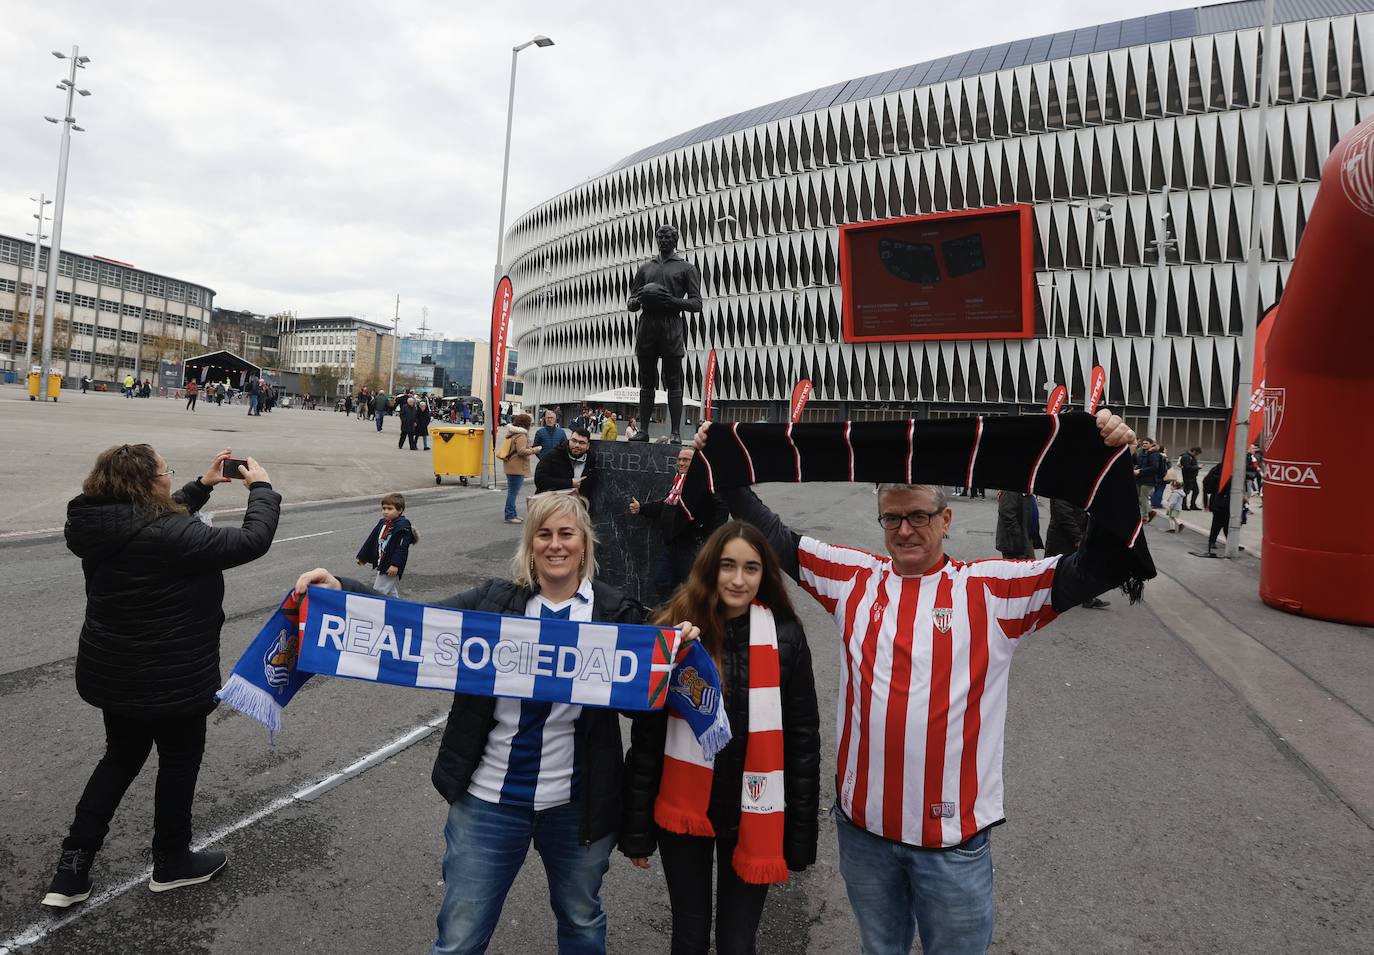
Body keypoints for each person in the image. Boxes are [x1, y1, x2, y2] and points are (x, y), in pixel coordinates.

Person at [695, 409, 1141, 955]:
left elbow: (1099, 565)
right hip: (864, 833)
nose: (905, 529)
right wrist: (721, 458)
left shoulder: (993, 590)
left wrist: (1113, 465)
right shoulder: (850, 577)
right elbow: (775, 536)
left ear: (947, 519)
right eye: (892, 518)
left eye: (919, 516)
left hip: (951, 844)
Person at [292, 494, 699, 955]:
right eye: (543, 535)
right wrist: (341, 590)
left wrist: (679, 644)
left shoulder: (615, 612)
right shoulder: (493, 602)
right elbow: (415, 624)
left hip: (576, 809)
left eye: (567, 534)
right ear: (530, 544)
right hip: (488, 803)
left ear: (585, 543)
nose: (555, 545)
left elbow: (647, 702)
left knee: (582, 922)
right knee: (461, 936)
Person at [43, 445, 280, 908]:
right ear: (150, 484)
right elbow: (252, 541)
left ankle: (71, 869)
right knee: (178, 762)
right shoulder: (173, 533)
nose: (169, 477)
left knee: (118, 759)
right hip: (174, 675)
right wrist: (263, 490)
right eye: (165, 472)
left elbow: (149, 524)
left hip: (114, 672)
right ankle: (171, 860)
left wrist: (203, 486)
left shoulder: (97, 522)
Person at [621, 521, 820, 954]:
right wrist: (636, 827)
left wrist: (800, 835)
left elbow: (803, 739)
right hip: (684, 811)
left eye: (751, 568)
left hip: (755, 810)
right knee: (689, 938)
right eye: (727, 566)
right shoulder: (675, 628)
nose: (738, 579)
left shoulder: (786, 635)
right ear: (709, 569)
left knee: (737, 942)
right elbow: (647, 735)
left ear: (764, 573)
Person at [627, 223, 703, 444]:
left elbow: (696, 303)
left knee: (673, 380)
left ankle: (676, 433)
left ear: (675, 240)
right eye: (660, 237)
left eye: (667, 237)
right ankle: (643, 430)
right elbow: (631, 301)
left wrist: (671, 300)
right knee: (646, 381)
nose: (663, 240)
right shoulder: (645, 269)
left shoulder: (686, 268)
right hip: (647, 326)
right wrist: (637, 301)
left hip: (671, 325)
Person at [629, 448, 726, 597]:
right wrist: (642, 508)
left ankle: (688, 617)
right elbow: (665, 506)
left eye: (685, 460)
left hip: (690, 545)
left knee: (691, 586)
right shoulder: (678, 481)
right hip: (670, 544)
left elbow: (721, 508)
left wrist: (710, 537)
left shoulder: (704, 482)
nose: (681, 463)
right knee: (662, 581)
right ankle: (672, 615)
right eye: (679, 459)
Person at [1044, 499, 1110, 610]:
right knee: (1055, 570)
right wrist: (1077, 537)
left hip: (1075, 534)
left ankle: (1087, 598)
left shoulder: (1074, 489)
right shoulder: (1062, 491)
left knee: (1082, 567)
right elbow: (1064, 515)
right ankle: (1044, 598)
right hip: (1061, 538)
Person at [355, 492, 419, 597]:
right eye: (384, 508)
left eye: (389, 509)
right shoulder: (383, 523)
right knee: (390, 593)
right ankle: (397, 609)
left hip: (390, 564)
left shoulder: (403, 527)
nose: (385, 512)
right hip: (382, 561)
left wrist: (395, 565)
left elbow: (401, 548)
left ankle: (375, 610)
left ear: (400, 510)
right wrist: (363, 557)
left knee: (378, 592)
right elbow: (372, 540)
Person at [534, 426, 597, 505]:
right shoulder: (553, 455)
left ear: (588, 446)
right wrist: (569, 483)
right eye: (574, 441)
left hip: (577, 507)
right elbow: (540, 480)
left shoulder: (591, 461)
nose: (577, 445)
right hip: (551, 506)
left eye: (582, 442)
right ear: (569, 440)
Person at [501, 412, 540, 524]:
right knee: (513, 492)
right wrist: (535, 450)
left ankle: (512, 514)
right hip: (516, 467)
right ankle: (509, 516)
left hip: (511, 466)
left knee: (512, 492)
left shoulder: (513, 433)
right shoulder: (521, 435)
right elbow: (522, 451)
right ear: (526, 424)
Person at [995, 489, 1034, 558]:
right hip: (1014, 543)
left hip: (1024, 538)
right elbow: (1007, 514)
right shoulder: (1010, 490)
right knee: (1025, 566)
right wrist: (1019, 538)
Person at [1133, 438, 1164, 522]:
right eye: (1143, 443)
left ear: (1151, 444)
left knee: (1143, 498)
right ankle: (1150, 512)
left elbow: (1154, 467)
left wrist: (1140, 470)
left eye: (1146, 443)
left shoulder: (1153, 454)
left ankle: (1145, 517)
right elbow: (1141, 464)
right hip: (1141, 478)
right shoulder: (1144, 453)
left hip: (1148, 480)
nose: (1144, 445)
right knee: (1140, 499)